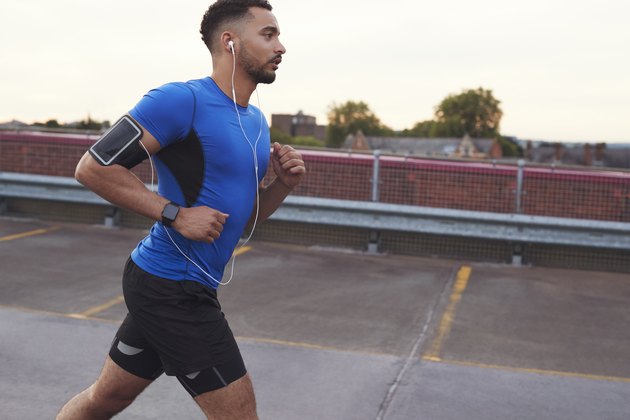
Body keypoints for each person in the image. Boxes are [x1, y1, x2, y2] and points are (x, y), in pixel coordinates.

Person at [56, 1, 304, 419]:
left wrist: (283, 184)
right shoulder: (180, 100)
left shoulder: (257, 124)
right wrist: (175, 214)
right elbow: (93, 167)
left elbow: (240, 224)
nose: (281, 46)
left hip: (186, 284)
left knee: (104, 399)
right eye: (268, 34)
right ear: (230, 42)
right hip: (171, 288)